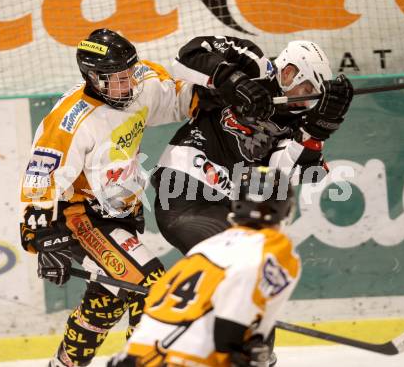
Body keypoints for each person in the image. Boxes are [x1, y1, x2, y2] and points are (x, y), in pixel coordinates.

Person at [19, 28, 194, 367]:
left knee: (109, 298)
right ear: (92, 78)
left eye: (129, 73)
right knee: (151, 287)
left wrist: (222, 96)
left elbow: (180, 99)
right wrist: (40, 237)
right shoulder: (70, 122)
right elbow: (41, 179)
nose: (127, 84)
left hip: (117, 215)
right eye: (115, 79)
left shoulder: (140, 83)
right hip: (80, 216)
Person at [152, 35, 354, 255]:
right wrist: (236, 81)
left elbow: (284, 171)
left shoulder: (299, 120)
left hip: (227, 204)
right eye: (306, 90)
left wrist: (318, 129)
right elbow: (185, 57)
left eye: (313, 97)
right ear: (289, 73)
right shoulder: (251, 63)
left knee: (254, 263)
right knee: (234, 261)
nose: (307, 102)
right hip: (185, 185)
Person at [107, 167, 301, 367]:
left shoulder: (208, 245)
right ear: (286, 209)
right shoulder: (275, 250)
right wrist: (249, 350)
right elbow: (227, 338)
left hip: (130, 357)